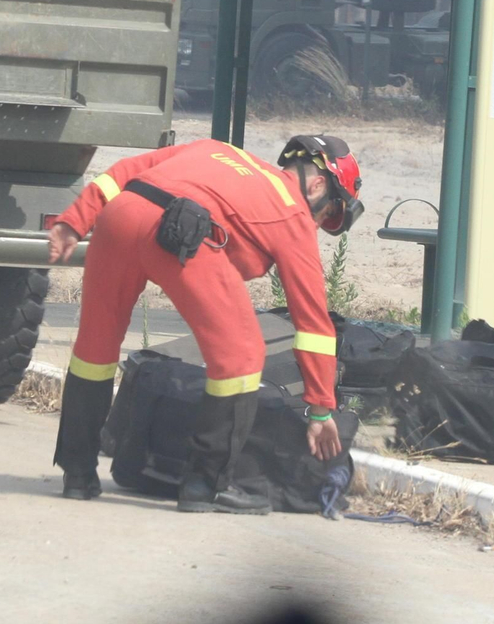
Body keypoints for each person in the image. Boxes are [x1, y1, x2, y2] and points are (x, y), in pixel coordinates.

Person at [47, 134, 364, 515]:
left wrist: (75, 219)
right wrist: (320, 410)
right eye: (328, 212)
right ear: (316, 186)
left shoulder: (217, 150)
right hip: (182, 232)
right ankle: (205, 485)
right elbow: (313, 327)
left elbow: (123, 172)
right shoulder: (293, 215)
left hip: (119, 216)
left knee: (94, 348)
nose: (321, 223)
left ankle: (77, 473)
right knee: (241, 358)